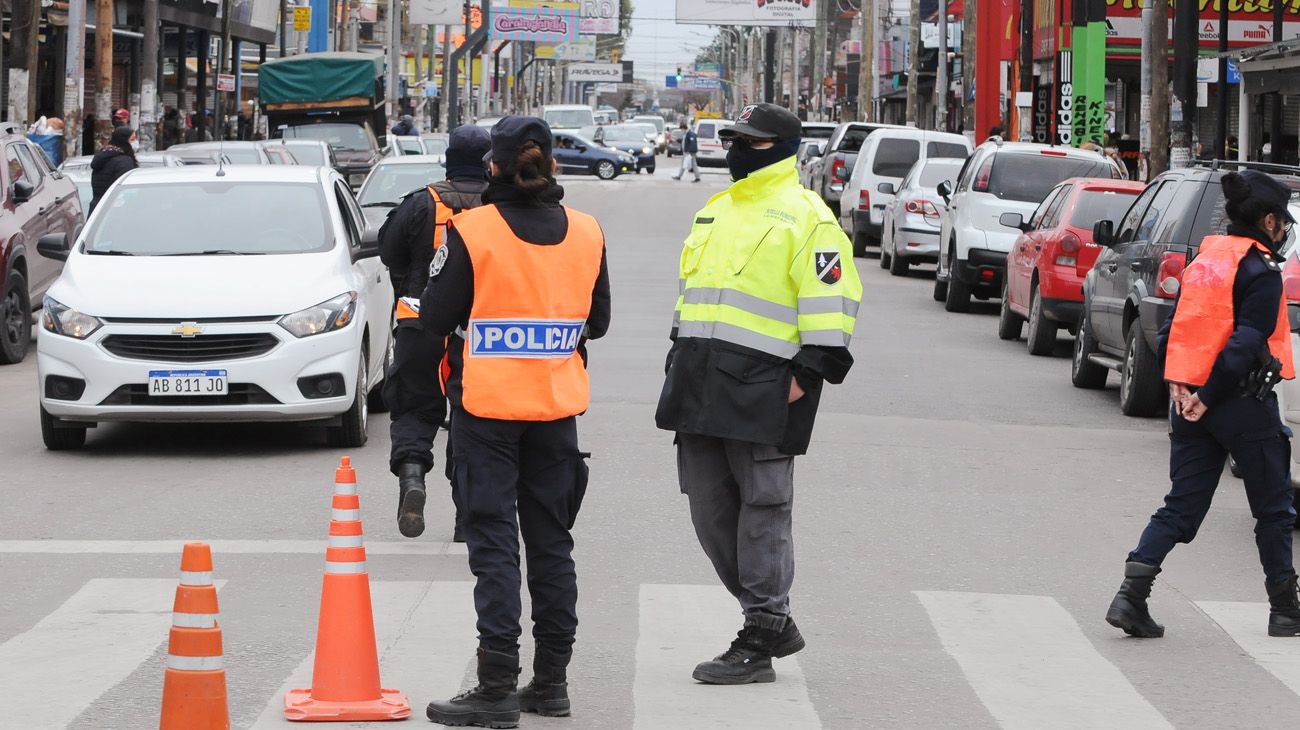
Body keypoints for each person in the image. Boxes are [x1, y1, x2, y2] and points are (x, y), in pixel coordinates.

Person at [655, 103, 863, 685]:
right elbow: (695, 296)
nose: (736, 149)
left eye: (748, 140)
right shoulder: (715, 211)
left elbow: (834, 303)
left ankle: (764, 626)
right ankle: (765, 616)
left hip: (767, 387)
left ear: (779, 147)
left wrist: (809, 373)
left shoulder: (808, 217)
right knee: (708, 509)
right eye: (733, 138)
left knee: (762, 513)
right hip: (698, 381)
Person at [421, 116, 611, 728]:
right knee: (552, 545)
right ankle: (550, 683)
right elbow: (597, 322)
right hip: (556, 413)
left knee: (494, 544)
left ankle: (498, 684)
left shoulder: (472, 231)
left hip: (488, 412)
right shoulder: (587, 231)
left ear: (493, 167)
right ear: (552, 164)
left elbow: (435, 318)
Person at [1106, 170, 1300, 640]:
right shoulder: (1260, 271)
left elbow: (1174, 328)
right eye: (1282, 221)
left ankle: (1131, 597)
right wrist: (1208, 396)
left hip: (1190, 401)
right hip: (1239, 403)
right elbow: (1246, 341)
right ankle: (1286, 610)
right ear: (1269, 221)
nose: (1284, 229)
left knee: (1181, 505)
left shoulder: (1205, 262)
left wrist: (1181, 388)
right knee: (1274, 510)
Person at [378, 124, 492, 542]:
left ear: (447, 159)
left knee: (413, 407)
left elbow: (389, 251)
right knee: (470, 416)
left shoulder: (420, 203)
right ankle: (467, 517)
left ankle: (412, 478)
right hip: (478, 331)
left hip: (418, 323)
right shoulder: (496, 207)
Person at [89, 126, 138, 213]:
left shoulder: (102, 156)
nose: (135, 143)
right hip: (116, 210)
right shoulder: (124, 161)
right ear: (123, 140)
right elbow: (127, 190)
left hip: (97, 209)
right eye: (132, 139)